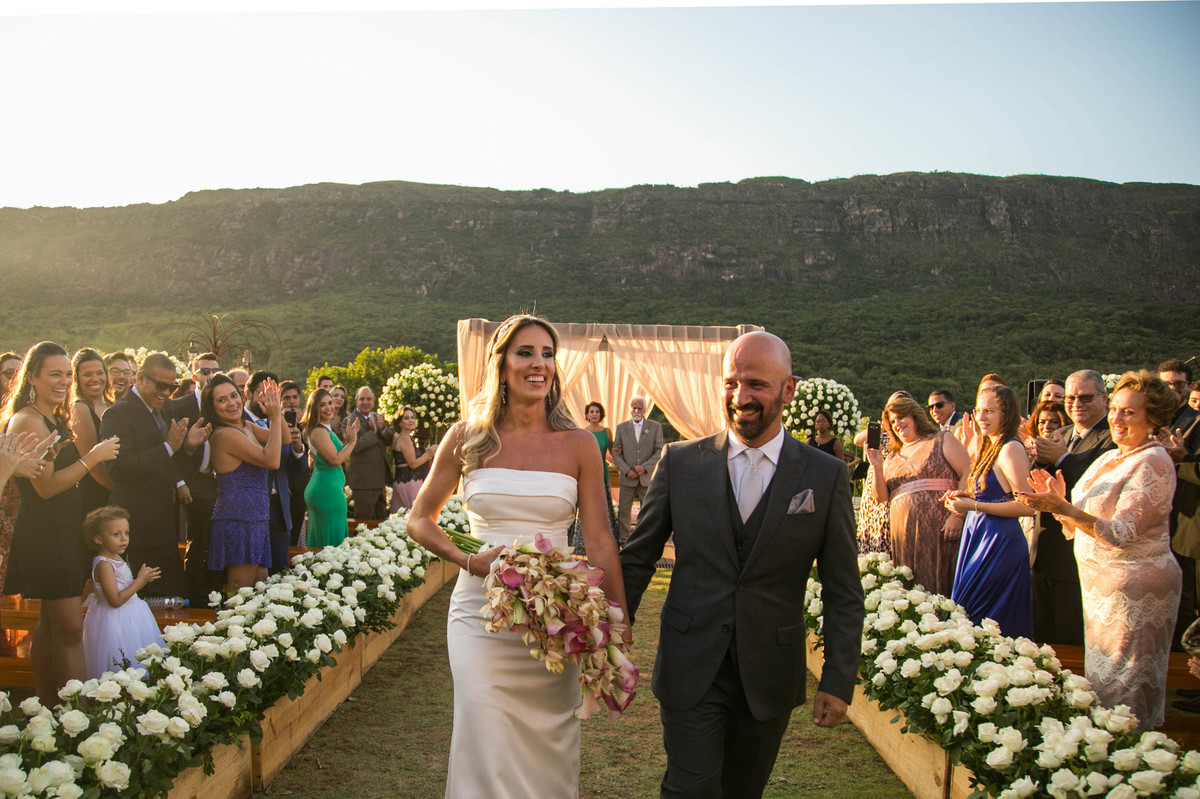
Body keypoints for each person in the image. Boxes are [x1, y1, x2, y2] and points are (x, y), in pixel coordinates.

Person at [621, 331, 863, 799]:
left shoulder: (825, 476)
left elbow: (842, 588)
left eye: (756, 384)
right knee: (690, 787)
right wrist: (605, 633)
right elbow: (639, 557)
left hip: (770, 670)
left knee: (742, 790)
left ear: (788, 390)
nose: (740, 396)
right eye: (731, 382)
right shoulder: (680, 461)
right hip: (690, 662)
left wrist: (837, 678)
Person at [405, 314, 627, 799]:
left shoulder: (580, 445)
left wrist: (617, 618)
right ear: (501, 363)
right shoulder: (467, 438)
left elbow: (601, 540)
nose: (539, 364)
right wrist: (469, 561)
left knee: (550, 741)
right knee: (483, 734)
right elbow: (419, 519)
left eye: (547, 354)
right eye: (525, 352)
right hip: (480, 618)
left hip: (557, 619)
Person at [1018, 370, 1181, 730]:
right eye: (1117, 410)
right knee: (1101, 685)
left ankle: (1134, 757)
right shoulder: (1111, 458)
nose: (1118, 419)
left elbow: (1122, 533)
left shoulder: (1153, 461)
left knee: (1127, 690)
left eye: (1130, 413)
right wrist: (1058, 501)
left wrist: (1063, 508)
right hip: (1099, 593)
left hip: (1136, 593)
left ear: (1153, 419)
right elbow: (1082, 523)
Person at [3, 341, 121, 706]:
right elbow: (47, 487)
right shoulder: (27, 419)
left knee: (52, 624)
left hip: (60, 528)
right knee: (69, 628)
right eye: (55, 374)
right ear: (32, 378)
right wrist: (92, 457)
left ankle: (48, 707)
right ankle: (77, 712)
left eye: (66, 374)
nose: (63, 381)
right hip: (47, 532)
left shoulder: (50, 416)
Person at [100, 352, 208, 598]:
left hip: (164, 523)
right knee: (149, 598)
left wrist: (187, 448)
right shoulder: (118, 414)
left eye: (172, 387)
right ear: (139, 378)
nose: (166, 392)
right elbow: (119, 468)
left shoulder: (164, 408)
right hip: (137, 525)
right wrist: (169, 447)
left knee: (171, 595)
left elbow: (168, 458)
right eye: (161, 385)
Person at [1029, 370, 1115, 647]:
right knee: (1045, 629)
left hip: (1081, 547)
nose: (1077, 404)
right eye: (1071, 398)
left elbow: (1102, 486)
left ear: (1104, 399)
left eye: (1086, 398)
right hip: (1046, 545)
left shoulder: (1113, 438)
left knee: (1072, 632)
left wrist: (1063, 458)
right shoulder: (1060, 433)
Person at [944, 385, 1035, 638]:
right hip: (978, 536)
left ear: (1006, 414)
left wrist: (973, 506)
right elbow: (993, 492)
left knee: (987, 619)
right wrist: (965, 496)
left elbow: (1027, 506)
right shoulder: (989, 445)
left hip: (999, 544)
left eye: (990, 411)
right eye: (978, 411)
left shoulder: (1010, 449)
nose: (981, 418)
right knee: (969, 614)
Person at [866, 393, 970, 597]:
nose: (897, 424)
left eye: (901, 417)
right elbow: (881, 498)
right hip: (904, 536)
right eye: (892, 421)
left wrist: (958, 515)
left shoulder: (941, 439)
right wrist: (877, 466)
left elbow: (968, 472)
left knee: (942, 586)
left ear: (914, 416)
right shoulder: (892, 456)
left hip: (942, 529)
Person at [204, 374, 282, 591]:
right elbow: (272, 460)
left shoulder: (246, 427)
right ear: (212, 408)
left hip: (255, 517)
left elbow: (283, 437)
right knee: (240, 594)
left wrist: (275, 410)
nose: (231, 402)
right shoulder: (224, 435)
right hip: (238, 519)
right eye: (221, 400)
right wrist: (274, 418)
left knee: (259, 591)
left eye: (233, 395)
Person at [165, 352, 222, 605]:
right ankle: (195, 596)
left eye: (216, 371)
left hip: (215, 480)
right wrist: (179, 481)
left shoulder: (221, 403)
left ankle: (212, 591)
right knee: (197, 539)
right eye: (205, 371)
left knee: (215, 537)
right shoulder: (178, 406)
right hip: (190, 479)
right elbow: (168, 451)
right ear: (194, 375)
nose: (211, 376)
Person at [80, 506, 162, 678]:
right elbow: (115, 600)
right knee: (120, 666)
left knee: (138, 661)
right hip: (114, 622)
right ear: (97, 539)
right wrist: (139, 582)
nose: (124, 539)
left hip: (131, 616)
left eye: (126, 533)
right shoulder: (104, 564)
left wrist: (139, 579)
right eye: (116, 534)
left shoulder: (115, 558)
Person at [244, 371, 304, 573]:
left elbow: (293, 469)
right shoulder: (239, 421)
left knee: (280, 571)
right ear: (248, 392)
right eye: (263, 394)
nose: (269, 401)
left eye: (273, 396)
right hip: (251, 508)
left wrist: (297, 449)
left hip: (280, 507)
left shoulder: (277, 421)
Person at [302, 388, 357, 547]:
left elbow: (340, 452)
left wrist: (349, 438)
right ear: (314, 409)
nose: (329, 407)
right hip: (326, 491)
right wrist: (352, 442)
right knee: (330, 542)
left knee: (331, 539)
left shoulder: (326, 429)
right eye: (322, 405)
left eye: (330, 403)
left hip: (330, 488)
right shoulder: (319, 431)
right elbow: (335, 460)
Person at [612, 395, 664, 546]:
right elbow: (616, 453)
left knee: (647, 510)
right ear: (629, 409)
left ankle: (644, 539)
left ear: (644, 410)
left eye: (639, 408)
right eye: (633, 408)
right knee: (624, 511)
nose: (636, 411)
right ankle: (624, 540)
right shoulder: (621, 428)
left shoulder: (655, 427)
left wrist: (645, 467)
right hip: (627, 477)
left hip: (646, 477)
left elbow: (660, 450)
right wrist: (627, 470)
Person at [68, 348, 113, 515]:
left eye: (99, 373)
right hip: (97, 494)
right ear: (76, 378)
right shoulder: (79, 408)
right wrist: (120, 492)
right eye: (87, 374)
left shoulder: (111, 404)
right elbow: (94, 464)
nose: (95, 379)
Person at [345, 386, 393, 520]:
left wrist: (383, 429)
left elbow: (390, 440)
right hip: (363, 483)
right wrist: (372, 432)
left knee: (380, 525)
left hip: (380, 481)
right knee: (363, 525)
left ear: (373, 401)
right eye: (362, 399)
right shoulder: (349, 421)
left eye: (368, 399)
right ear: (356, 401)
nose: (365, 402)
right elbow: (355, 446)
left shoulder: (378, 418)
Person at [389, 406, 436, 513]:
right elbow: (413, 464)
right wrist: (429, 454)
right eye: (406, 418)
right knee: (415, 514)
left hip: (401, 482)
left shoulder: (398, 436)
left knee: (400, 516)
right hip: (409, 483)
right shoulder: (404, 438)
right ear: (400, 423)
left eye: (412, 417)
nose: (411, 420)